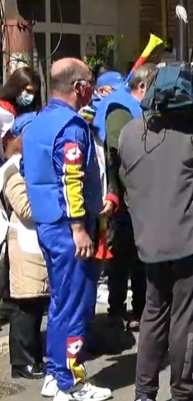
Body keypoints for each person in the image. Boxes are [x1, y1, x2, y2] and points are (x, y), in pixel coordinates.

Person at [119, 63, 193, 401]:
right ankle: (181, 392)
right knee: (185, 320)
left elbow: (128, 183)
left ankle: (144, 393)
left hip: (150, 242)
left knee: (153, 315)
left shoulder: (129, 133)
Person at [21, 58, 112, 400]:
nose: (92, 87)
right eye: (89, 81)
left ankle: (55, 373)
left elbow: (31, 170)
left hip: (47, 225)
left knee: (60, 302)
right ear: (78, 87)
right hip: (68, 228)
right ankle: (70, 382)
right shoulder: (71, 127)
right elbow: (71, 179)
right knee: (75, 304)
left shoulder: (37, 123)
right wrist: (79, 228)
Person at [92, 64, 154, 332]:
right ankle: (118, 311)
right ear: (142, 87)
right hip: (127, 198)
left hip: (140, 195)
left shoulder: (135, 108)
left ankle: (141, 308)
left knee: (140, 258)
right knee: (123, 259)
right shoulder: (120, 109)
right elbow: (117, 153)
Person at [2, 114, 47, 381]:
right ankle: (22, 362)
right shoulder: (12, 169)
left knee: (37, 304)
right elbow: (26, 208)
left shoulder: (34, 166)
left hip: (36, 245)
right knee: (25, 307)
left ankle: (34, 357)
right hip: (24, 245)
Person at [0, 67, 42, 150]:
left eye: (34, 93)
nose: (31, 96)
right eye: (28, 91)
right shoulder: (3, 110)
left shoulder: (29, 111)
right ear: (16, 87)